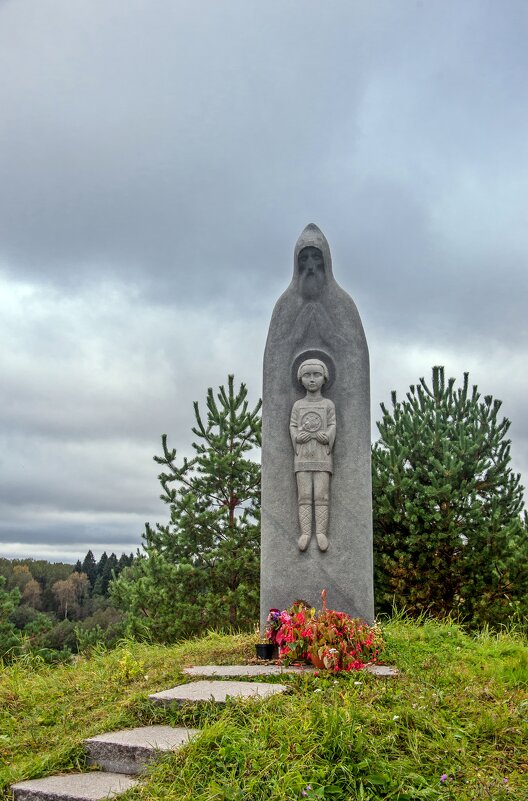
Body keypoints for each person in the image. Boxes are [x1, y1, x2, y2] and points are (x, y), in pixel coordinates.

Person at [290, 358, 336, 552]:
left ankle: (321, 533)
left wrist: (327, 435)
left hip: (322, 456)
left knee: (322, 495)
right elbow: (292, 425)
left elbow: (332, 424)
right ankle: (306, 533)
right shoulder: (298, 405)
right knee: (304, 496)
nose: (311, 380)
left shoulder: (328, 405)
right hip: (303, 457)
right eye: (307, 375)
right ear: (300, 379)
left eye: (316, 375)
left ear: (324, 378)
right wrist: (297, 436)